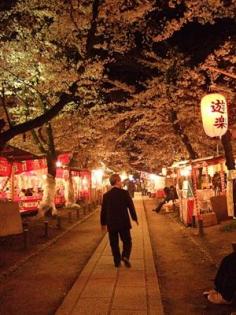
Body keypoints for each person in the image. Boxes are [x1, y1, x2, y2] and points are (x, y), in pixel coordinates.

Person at [100, 173, 138, 268]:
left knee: (114, 243)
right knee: (127, 241)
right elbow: (131, 207)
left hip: (111, 223)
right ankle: (125, 256)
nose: (121, 182)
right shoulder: (124, 193)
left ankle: (117, 261)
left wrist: (103, 223)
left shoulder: (106, 195)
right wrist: (134, 218)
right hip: (123, 222)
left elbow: (103, 210)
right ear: (117, 181)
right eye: (120, 181)